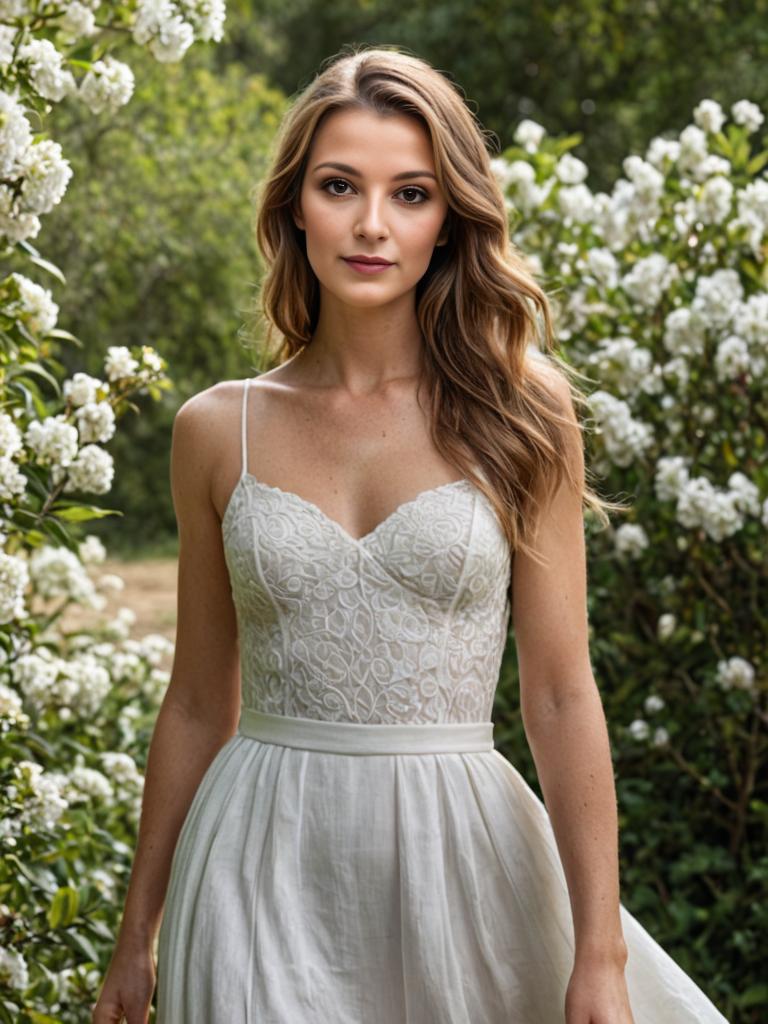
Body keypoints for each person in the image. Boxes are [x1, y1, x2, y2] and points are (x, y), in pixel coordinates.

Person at [92, 44, 730, 1024]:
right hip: (259, 857)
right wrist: (137, 933)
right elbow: (194, 700)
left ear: (450, 219)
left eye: (412, 193)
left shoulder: (523, 415)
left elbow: (560, 692)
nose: (372, 224)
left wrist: (598, 948)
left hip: (461, 858)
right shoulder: (218, 429)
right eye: (340, 185)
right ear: (294, 207)